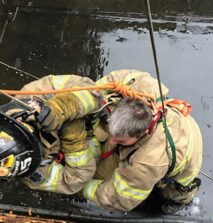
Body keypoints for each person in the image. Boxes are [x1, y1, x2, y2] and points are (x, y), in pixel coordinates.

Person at [37, 69, 203, 214]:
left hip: (187, 154)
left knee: (172, 193)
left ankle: (183, 199)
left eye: (120, 140)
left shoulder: (148, 163)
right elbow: (100, 88)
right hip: (179, 124)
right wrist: (73, 103)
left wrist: (81, 187)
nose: (113, 141)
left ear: (142, 132)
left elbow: (118, 199)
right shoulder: (141, 85)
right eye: (112, 134)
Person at [0, 74, 102, 194]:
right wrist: (73, 140)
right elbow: (75, 180)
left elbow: (94, 91)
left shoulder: (33, 92)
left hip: (104, 120)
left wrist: (60, 107)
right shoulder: (31, 173)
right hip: (90, 155)